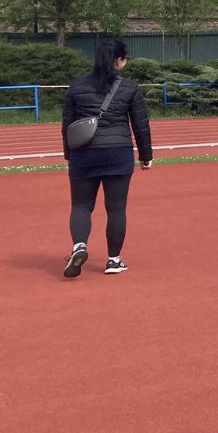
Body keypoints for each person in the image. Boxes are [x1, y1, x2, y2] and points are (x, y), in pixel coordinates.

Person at [61, 38, 153, 278]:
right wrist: (146, 155)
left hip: (84, 153)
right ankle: (114, 260)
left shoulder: (77, 86)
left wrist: (69, 154)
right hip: (118, 152)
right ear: (119, 60)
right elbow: (140, 124)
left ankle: (79, 246)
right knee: (116, 208)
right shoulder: (130, 87)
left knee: (81, 205)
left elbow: (67, 124)